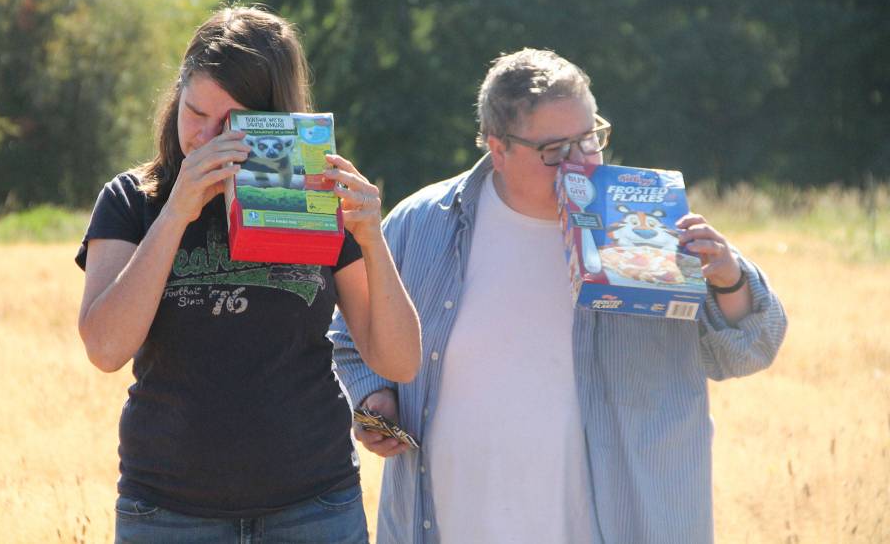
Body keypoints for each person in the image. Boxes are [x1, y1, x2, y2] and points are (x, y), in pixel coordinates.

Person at [330, 48, 788, 544]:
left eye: (590, 138)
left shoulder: (646, 223)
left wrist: (728, 278)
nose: (582, 162)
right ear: (498, 148)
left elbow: (750, 349)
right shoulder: (421, 224)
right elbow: (350, 338)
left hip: (625, 526)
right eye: (555, 150)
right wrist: (375, 397)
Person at [76, 5, 421, 544]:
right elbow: (104, 348)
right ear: (177, 95)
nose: (206, 137)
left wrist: (372, 239)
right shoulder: (132, 199)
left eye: (230, 124)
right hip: (168, 511)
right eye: (195, 112)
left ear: (274, 121)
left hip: (314, 507)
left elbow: (398, 360)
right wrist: (176, 212)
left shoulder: (315, 196)